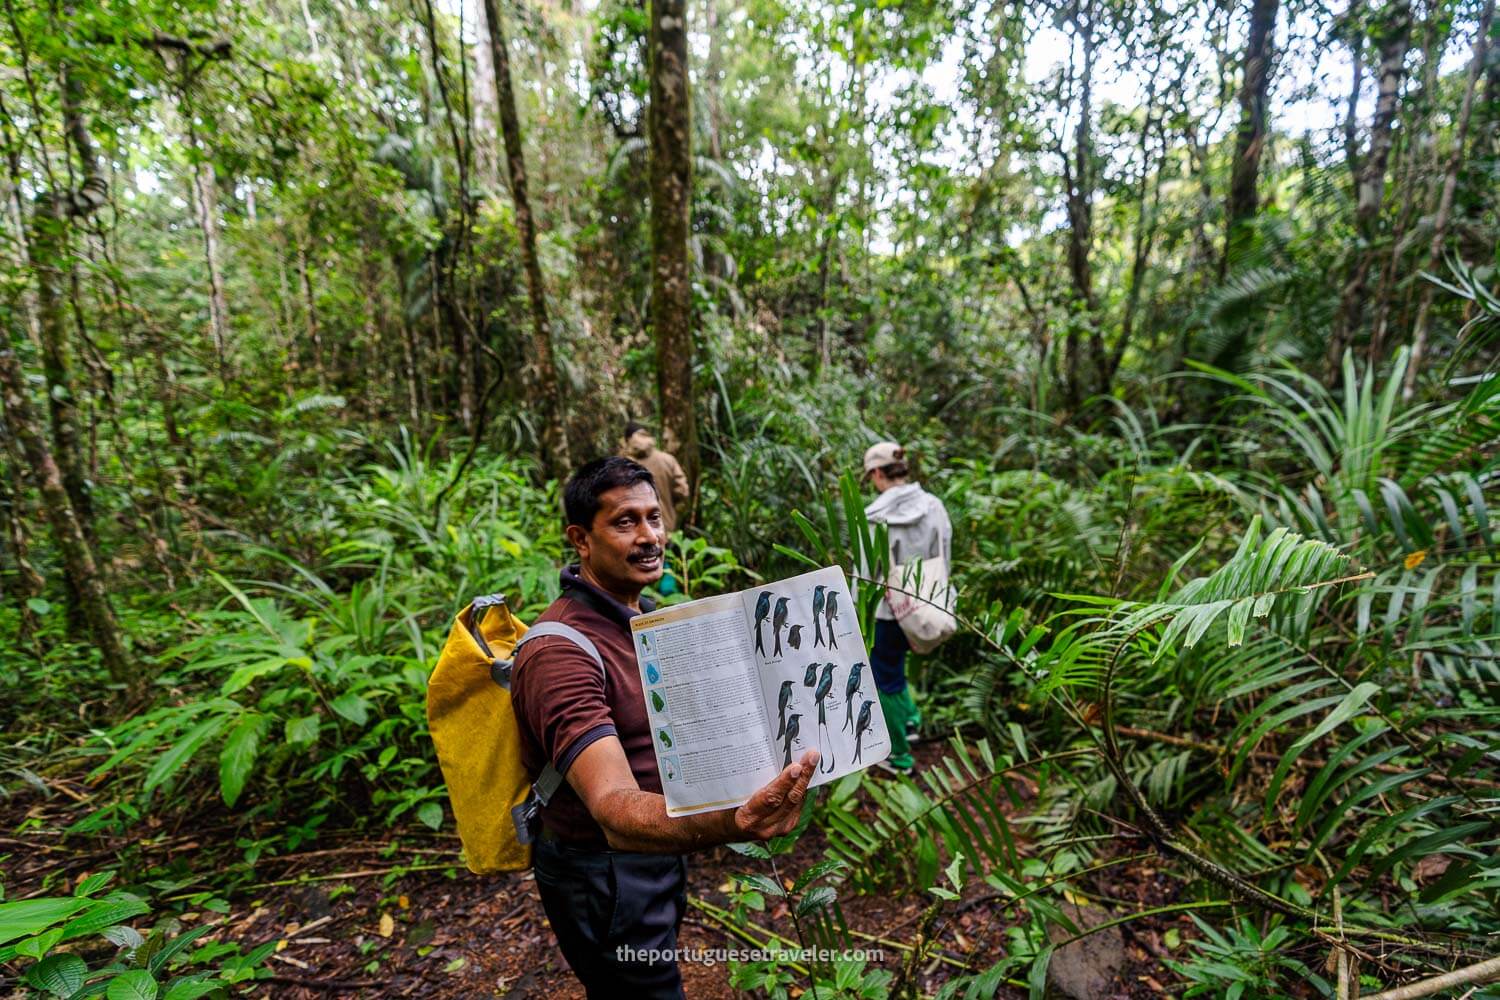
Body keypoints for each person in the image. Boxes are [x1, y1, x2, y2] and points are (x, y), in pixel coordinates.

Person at [510, 456, 819, 998]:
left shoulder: (644, 621)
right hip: (603, 873)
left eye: (655, 517)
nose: (650, 535)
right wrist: (734, 821)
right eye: (626, 521)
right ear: (581, 539)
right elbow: (612, 807)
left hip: (653, 854)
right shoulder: (559, 652)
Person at [862, 441, 952, 774]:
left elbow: (867, 572)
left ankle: (898, 755)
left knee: (884, 676)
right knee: (896, 668)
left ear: (876, 473)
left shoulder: (872, 517)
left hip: (888, 613)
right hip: (927, 604)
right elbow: (944, 556)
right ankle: (911, 721)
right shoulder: (935, 507)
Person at [622, 421, 690, 535]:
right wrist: (672, 515)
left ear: (627, 440)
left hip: (633, 533)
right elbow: (683, 492)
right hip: (665, 529)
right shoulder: (668, 460)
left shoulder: (621, 464)